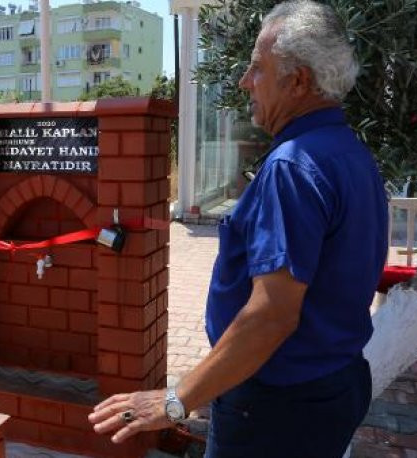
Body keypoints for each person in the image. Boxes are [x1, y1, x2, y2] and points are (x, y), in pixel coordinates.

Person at [88, 2, 388, 457]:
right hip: (333, 386)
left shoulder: (293, 166)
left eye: (257, 69)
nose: (245, 82)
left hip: (277, 407)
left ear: (299, 80)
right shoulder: (351, 154)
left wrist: (176, 399)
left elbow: (272, 314)